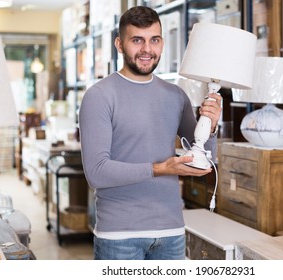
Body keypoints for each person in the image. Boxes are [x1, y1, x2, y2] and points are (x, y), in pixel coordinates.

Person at [79, 6, 222, 260]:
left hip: (171, 233)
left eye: (154, 40)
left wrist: (210, 126)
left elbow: (206, 162)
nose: (147, 50)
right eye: (137, 40)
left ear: (162, 43)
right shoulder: (99, 96)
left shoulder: (176, 96)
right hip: (119, 236)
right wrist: (160, 168)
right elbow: (97, 173)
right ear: (120, 44)